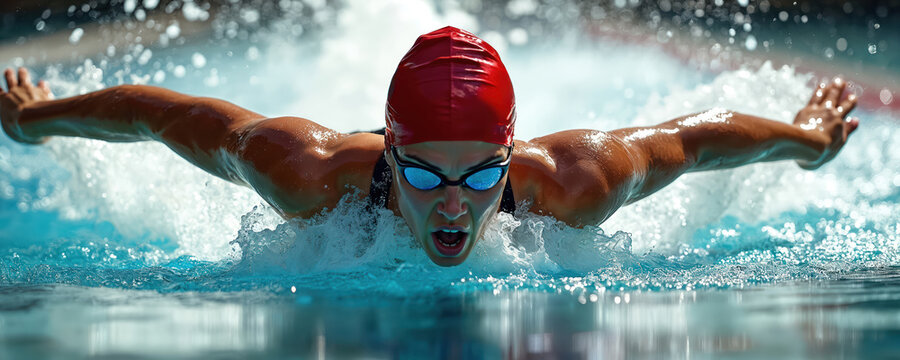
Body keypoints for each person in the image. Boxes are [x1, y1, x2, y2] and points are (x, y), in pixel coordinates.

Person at [0, 26, 859, 267]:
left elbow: (697, 139)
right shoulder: (305, 172)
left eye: (482, 174)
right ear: (386, 151)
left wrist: (808, 143)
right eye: (420, 172)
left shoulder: (575, 180)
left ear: (511, 156)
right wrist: (34, 121)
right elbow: (161, 112)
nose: (453, 202)